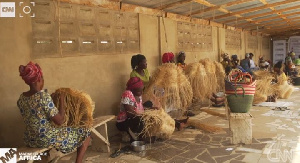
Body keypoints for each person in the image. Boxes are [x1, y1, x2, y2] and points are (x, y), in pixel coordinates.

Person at [17, 62, 91, 163]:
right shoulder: (43, 96)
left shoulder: (22, 98)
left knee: (62, 131)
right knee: (85, 133)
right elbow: (60, 120)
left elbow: (35, 116)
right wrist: (61, 100)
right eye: (42, 79)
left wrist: (50, 101)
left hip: (29, 139)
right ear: (39, 79)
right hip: (44, 138)